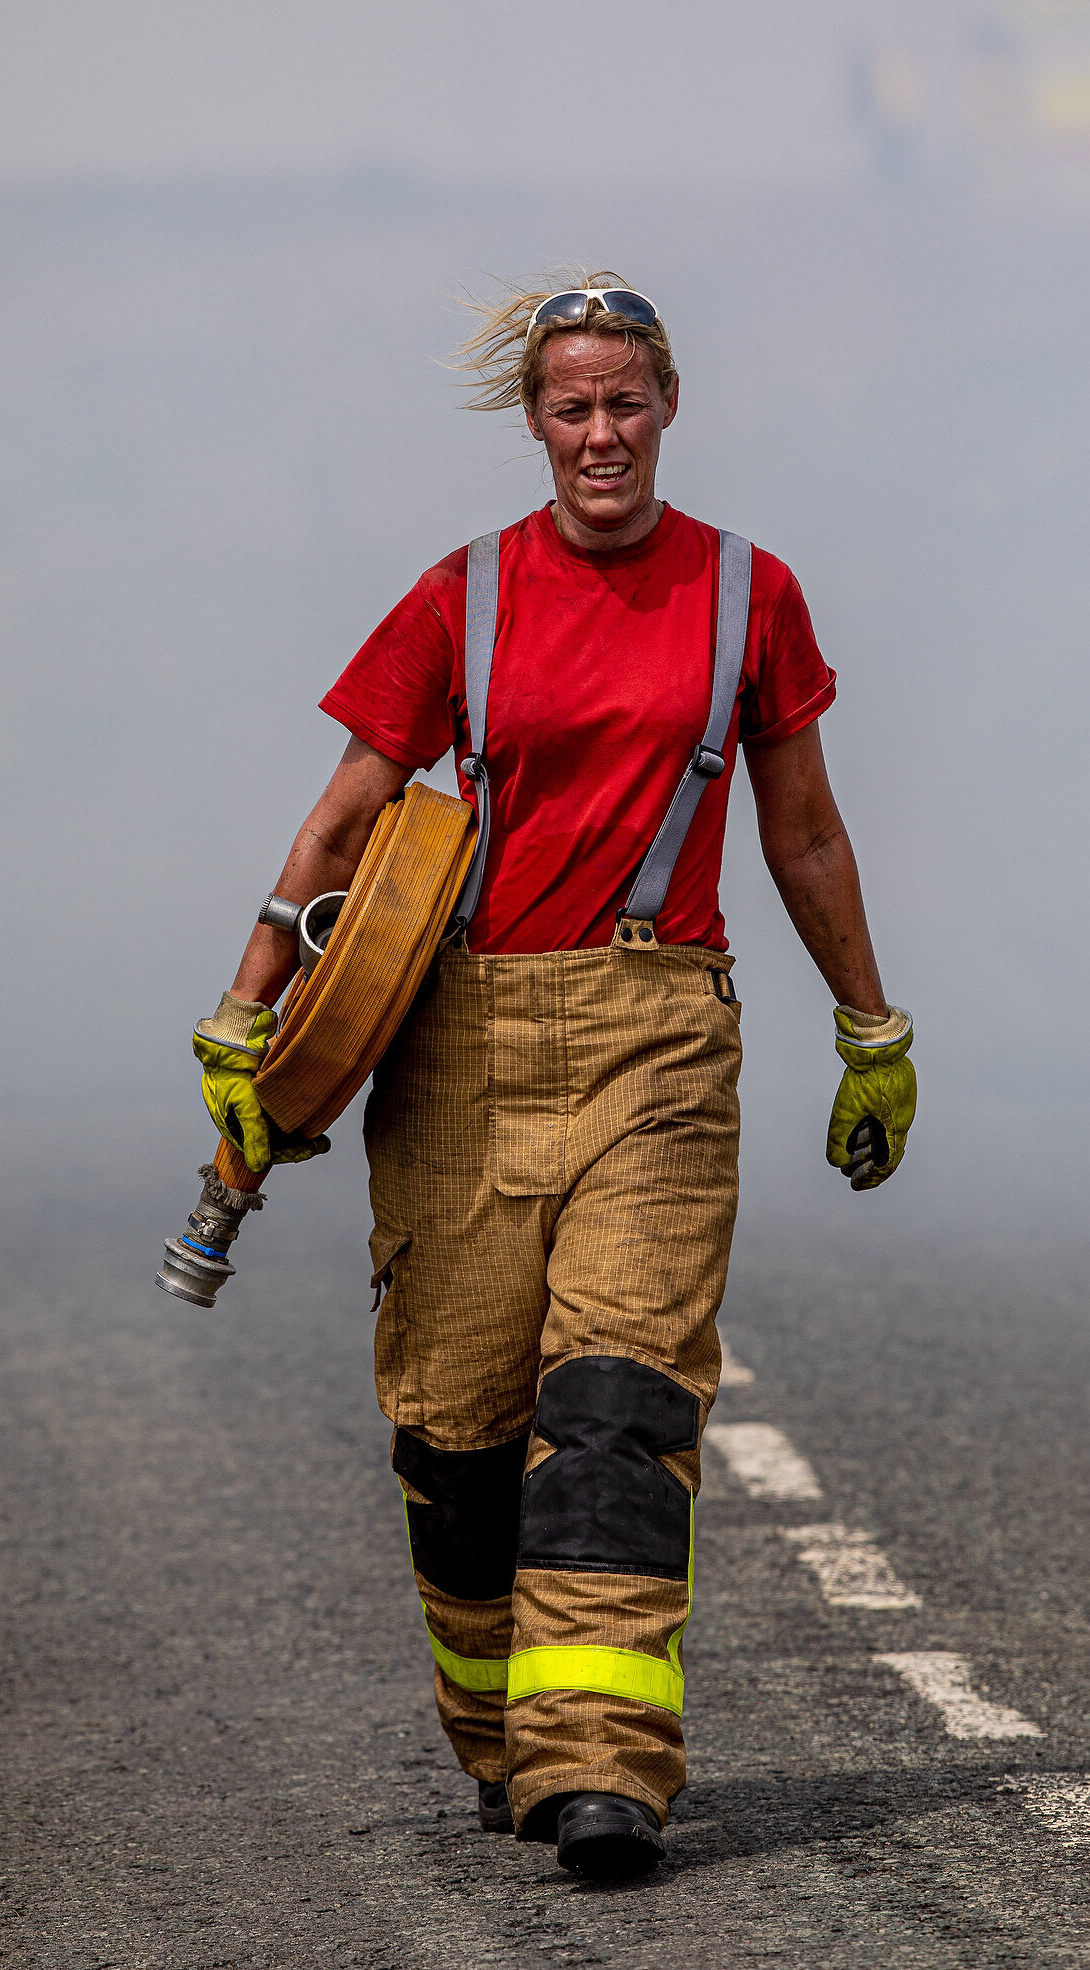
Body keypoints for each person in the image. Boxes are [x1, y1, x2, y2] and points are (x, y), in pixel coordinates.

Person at [192, 274, 916, 1880]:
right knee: (456, 1444)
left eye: (626, 404)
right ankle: (501, 1729)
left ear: (668, 410)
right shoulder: (464, 598)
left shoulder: (751, 596)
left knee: (614, 1408)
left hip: (663, 1034)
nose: (603, 433)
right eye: (572, 407)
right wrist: (247, 1020)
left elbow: (801, 832)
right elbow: (336, 824)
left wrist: (873, 1028)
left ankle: (603, 1768)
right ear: (534, 422)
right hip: (460, 1050)